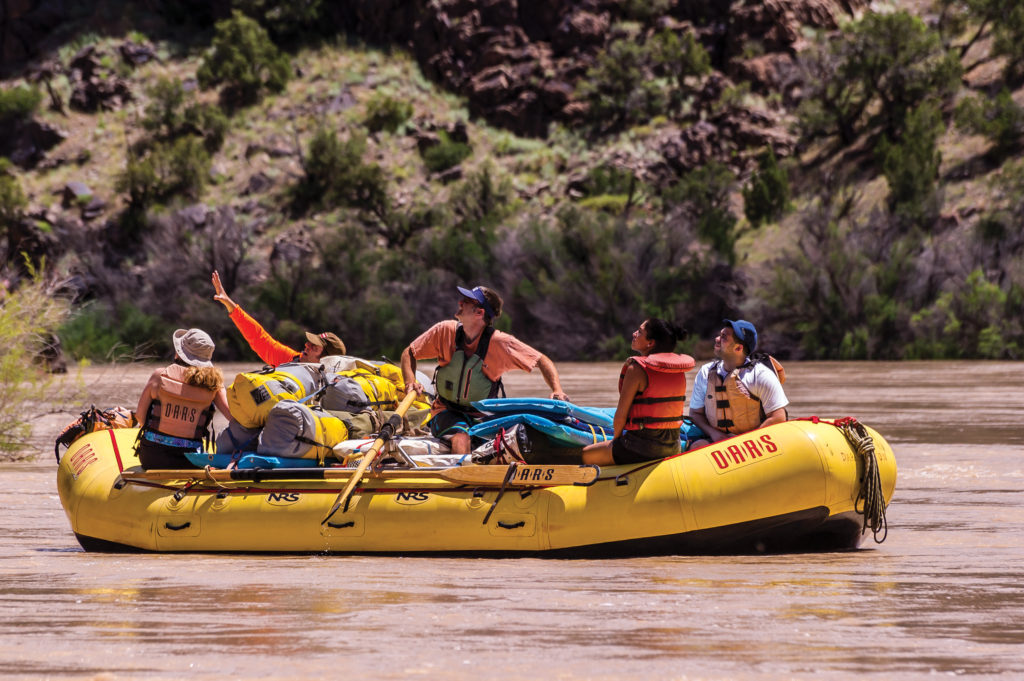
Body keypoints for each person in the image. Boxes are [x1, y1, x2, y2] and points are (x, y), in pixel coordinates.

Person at [401, 285, 570, 454]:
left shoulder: (501, 343)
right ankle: (463, 477)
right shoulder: (444, 331)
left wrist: (557, 390)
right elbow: (409, 352)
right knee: (461, 436)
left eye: (466, 302)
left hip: (482, 417)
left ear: (479, 313)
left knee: (516, 436)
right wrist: (410, 382)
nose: (460, 302)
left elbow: (542, 360)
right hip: (445, 411)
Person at [582, 319, 694, 466]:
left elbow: (620, 416)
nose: (634, 333)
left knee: (586, 454)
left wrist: (615, 441)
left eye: (640, 331)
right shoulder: (677, 370)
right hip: (673, 446)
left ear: (650, 343)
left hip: (641, 448)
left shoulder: (636, 369)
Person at [135, 328, 231, 469]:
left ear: (179, 353)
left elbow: (139, 417)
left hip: (152, 457)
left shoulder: (159, 375)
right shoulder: (214, 384)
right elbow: (233, 417)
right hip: (191, 460)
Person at [211, 270, 346, 366]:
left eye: (314, 347)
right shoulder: (291, 359)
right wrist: (231, 305)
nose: (306, 345)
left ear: (328, 360)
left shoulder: (335, 386)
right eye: (310, 342)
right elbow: (259, 338)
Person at [687, 319, 788, 446]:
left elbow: (778, 417)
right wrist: (714, 434)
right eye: (720, 335)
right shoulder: (705, 372)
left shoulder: (761, 375)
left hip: (754, 444)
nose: (717, 339)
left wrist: (744, 443)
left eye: (724, 337)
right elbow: (695, 414)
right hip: (716, 440)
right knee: (698, 445)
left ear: (738, 348)